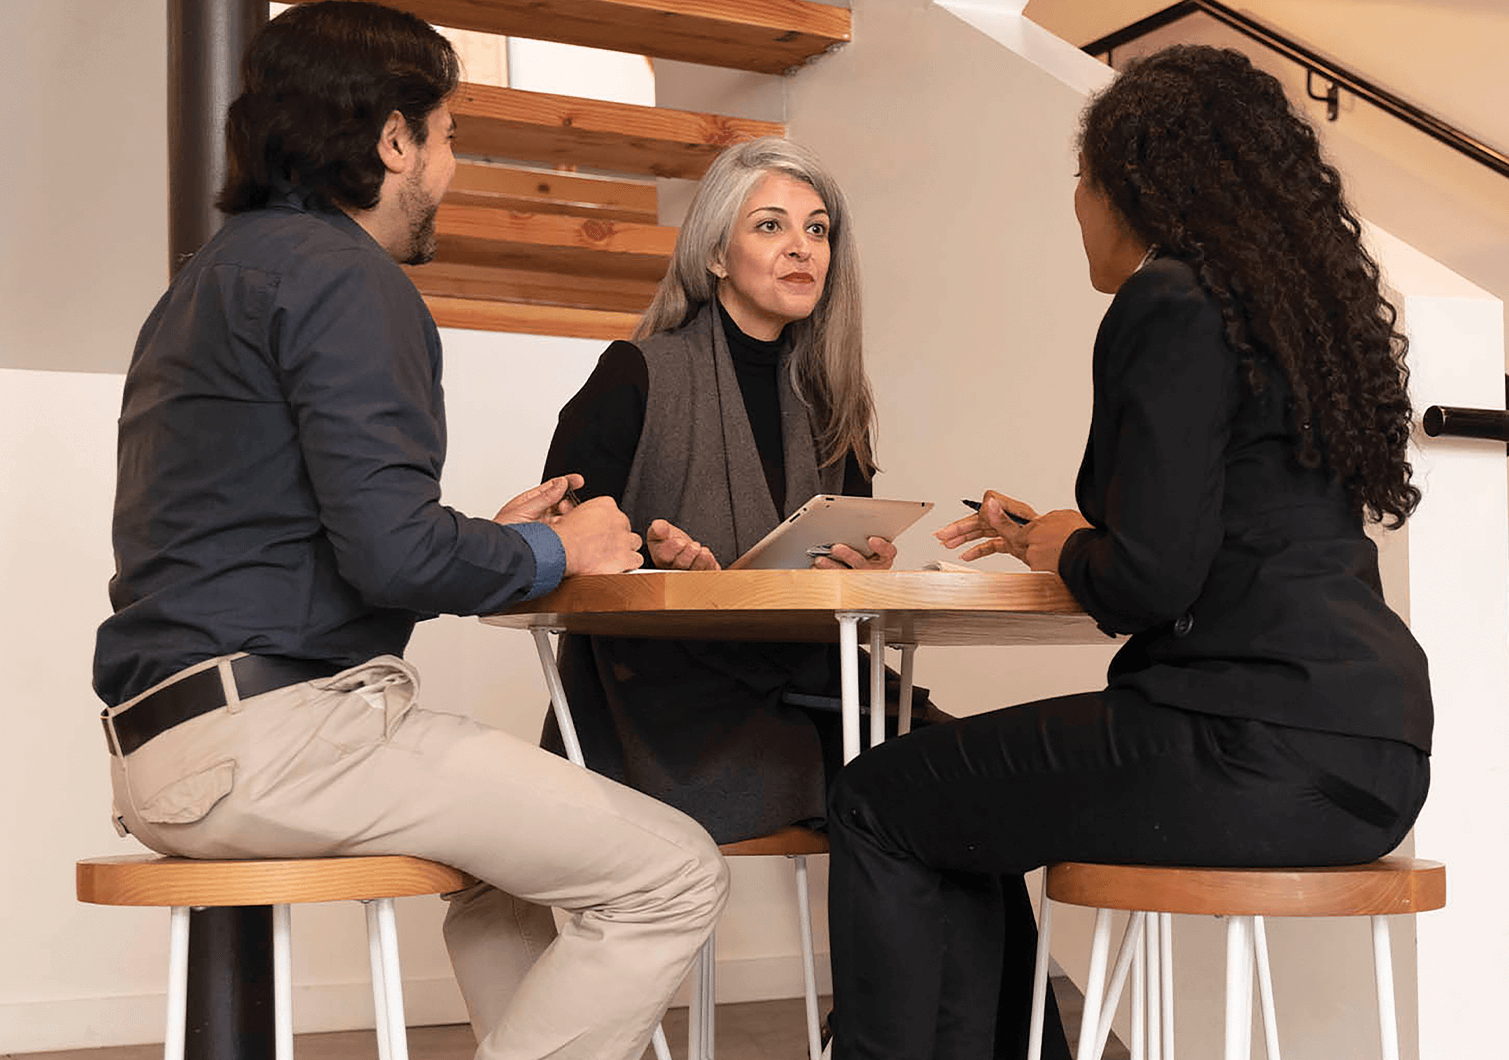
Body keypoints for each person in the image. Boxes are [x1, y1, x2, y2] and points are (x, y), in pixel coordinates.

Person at [91, 5, 726, 1059]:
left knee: (509, 891)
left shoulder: (211, 278)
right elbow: (390, 556)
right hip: (280, 740)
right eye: (449, 137)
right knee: (675, 872)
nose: (452, 169)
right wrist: (560, 550)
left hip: (173, 742)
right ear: (393, 140)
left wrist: (489, 536)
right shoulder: (348, 279)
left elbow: (299, 530)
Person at [824, 44, 1434, 1060]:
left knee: (877, 797)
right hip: (1373, 752)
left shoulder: (1171, 301)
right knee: (961, 809)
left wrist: (1072, 550)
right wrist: (1064, 541)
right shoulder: (1279, 319)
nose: (1077, 207)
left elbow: (1151, 579)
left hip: (1251, 740)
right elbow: (1225, 528)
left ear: (1127, 187)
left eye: (1081, 182)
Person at [540, 137, 896, 844]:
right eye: (771, 225)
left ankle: (1008, 966)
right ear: (714, 255)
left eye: (817, 229)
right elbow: (556, 554)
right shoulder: (634, 374)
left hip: (812, 688)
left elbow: (845, 571)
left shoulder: (834, 402)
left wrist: (866, 577)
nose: (802, 247)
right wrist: (655, 575)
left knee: (957, 788)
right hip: (663, 714)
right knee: (903, 798)